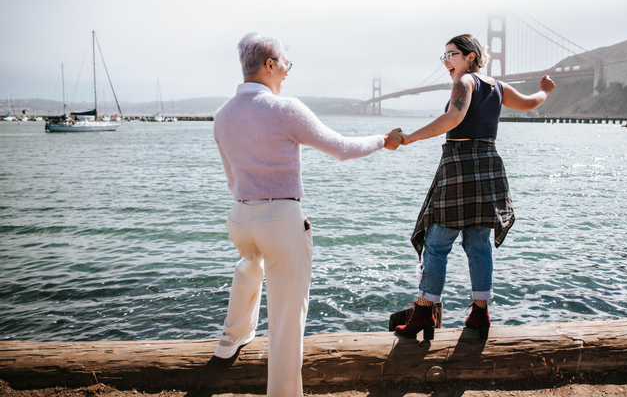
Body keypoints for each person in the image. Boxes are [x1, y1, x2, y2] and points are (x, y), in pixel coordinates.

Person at [213, 32, 402, 396]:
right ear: (270, 64)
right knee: (286, 320)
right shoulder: (284, 109)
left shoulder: (222, 115)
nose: (287, 72)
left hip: (239, 219)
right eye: (286, 64)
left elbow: (232, 180)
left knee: (251, 261)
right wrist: (382, 139)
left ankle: (230, 338)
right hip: (280, 220)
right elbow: (342, 149)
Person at [395, 33, 555, 341]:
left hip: (460, 163)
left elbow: (453, 117)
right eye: (443, 56)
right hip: (489, 164)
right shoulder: (498, 86)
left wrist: (408, 138)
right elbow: (531, 103)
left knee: (437, 242)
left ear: (470, 57)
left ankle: (425, 308)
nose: (446, 61)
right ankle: (480, 313)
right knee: (478, 244)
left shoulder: (465, 82)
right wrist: (545, 91)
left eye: (451, 54)